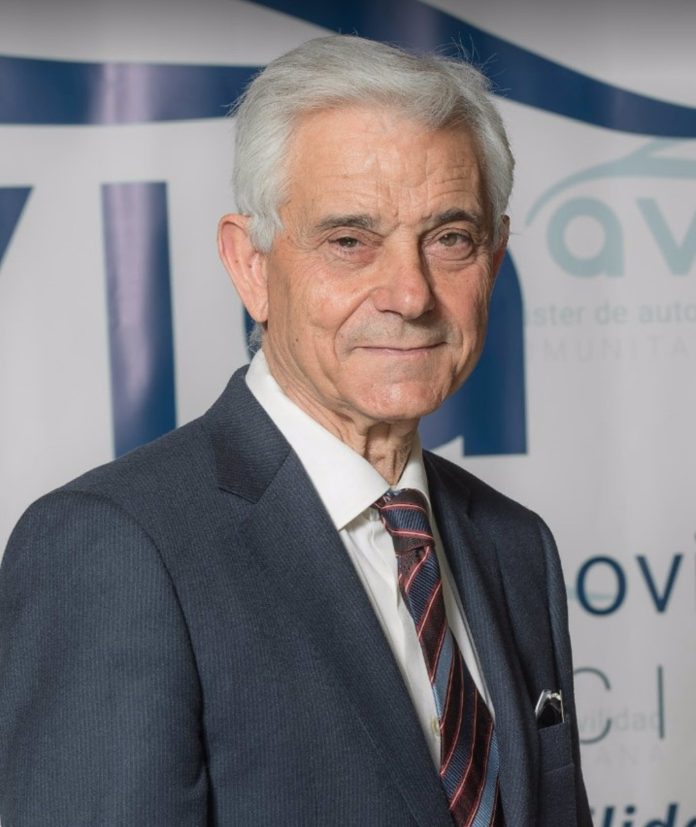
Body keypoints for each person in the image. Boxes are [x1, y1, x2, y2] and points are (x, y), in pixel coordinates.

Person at [0, 35, 592, 826]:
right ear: (250, 265)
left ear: (494, 257)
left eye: (450, 238)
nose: (411, 293)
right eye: (350, 241)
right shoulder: (115, 550)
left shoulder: (516, 546)